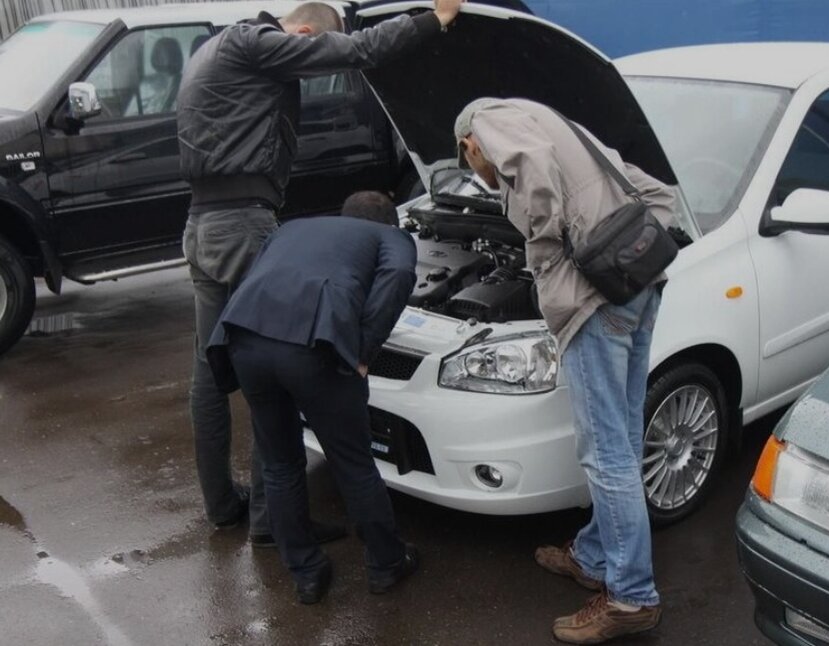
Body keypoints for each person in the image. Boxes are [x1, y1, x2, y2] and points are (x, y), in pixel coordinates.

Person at [176, 0, 464, 540]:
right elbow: (356, 50)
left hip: (202, 224)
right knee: (276, 369)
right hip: (241, 225)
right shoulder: (255, 44)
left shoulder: (211, 49)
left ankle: (224, 506)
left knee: (211, 373)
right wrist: (435, 18)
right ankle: (273, 522)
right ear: (303, 33)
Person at [453, 98, 678, 644]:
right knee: (620, 438)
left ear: (469, 145)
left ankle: (631, 597)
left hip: (594, 302)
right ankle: (597, 555)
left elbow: (531, 173)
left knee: (604, 454)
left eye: (474, 168)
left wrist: (551, 255)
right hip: (638, 286)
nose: (483, 178)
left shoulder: (487, 121)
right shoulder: (568, 129)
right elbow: (656, 194)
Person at [205, 191, 419, 604]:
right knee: (353, 462)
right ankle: (386, 563)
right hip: (313, 347)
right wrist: (363, 351)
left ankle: (306, 571)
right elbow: (396, 277)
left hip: (244, 338)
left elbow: (262, 275)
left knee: (281, 463)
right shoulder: (390, 237)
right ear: (389, 222)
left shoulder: (296, 228)